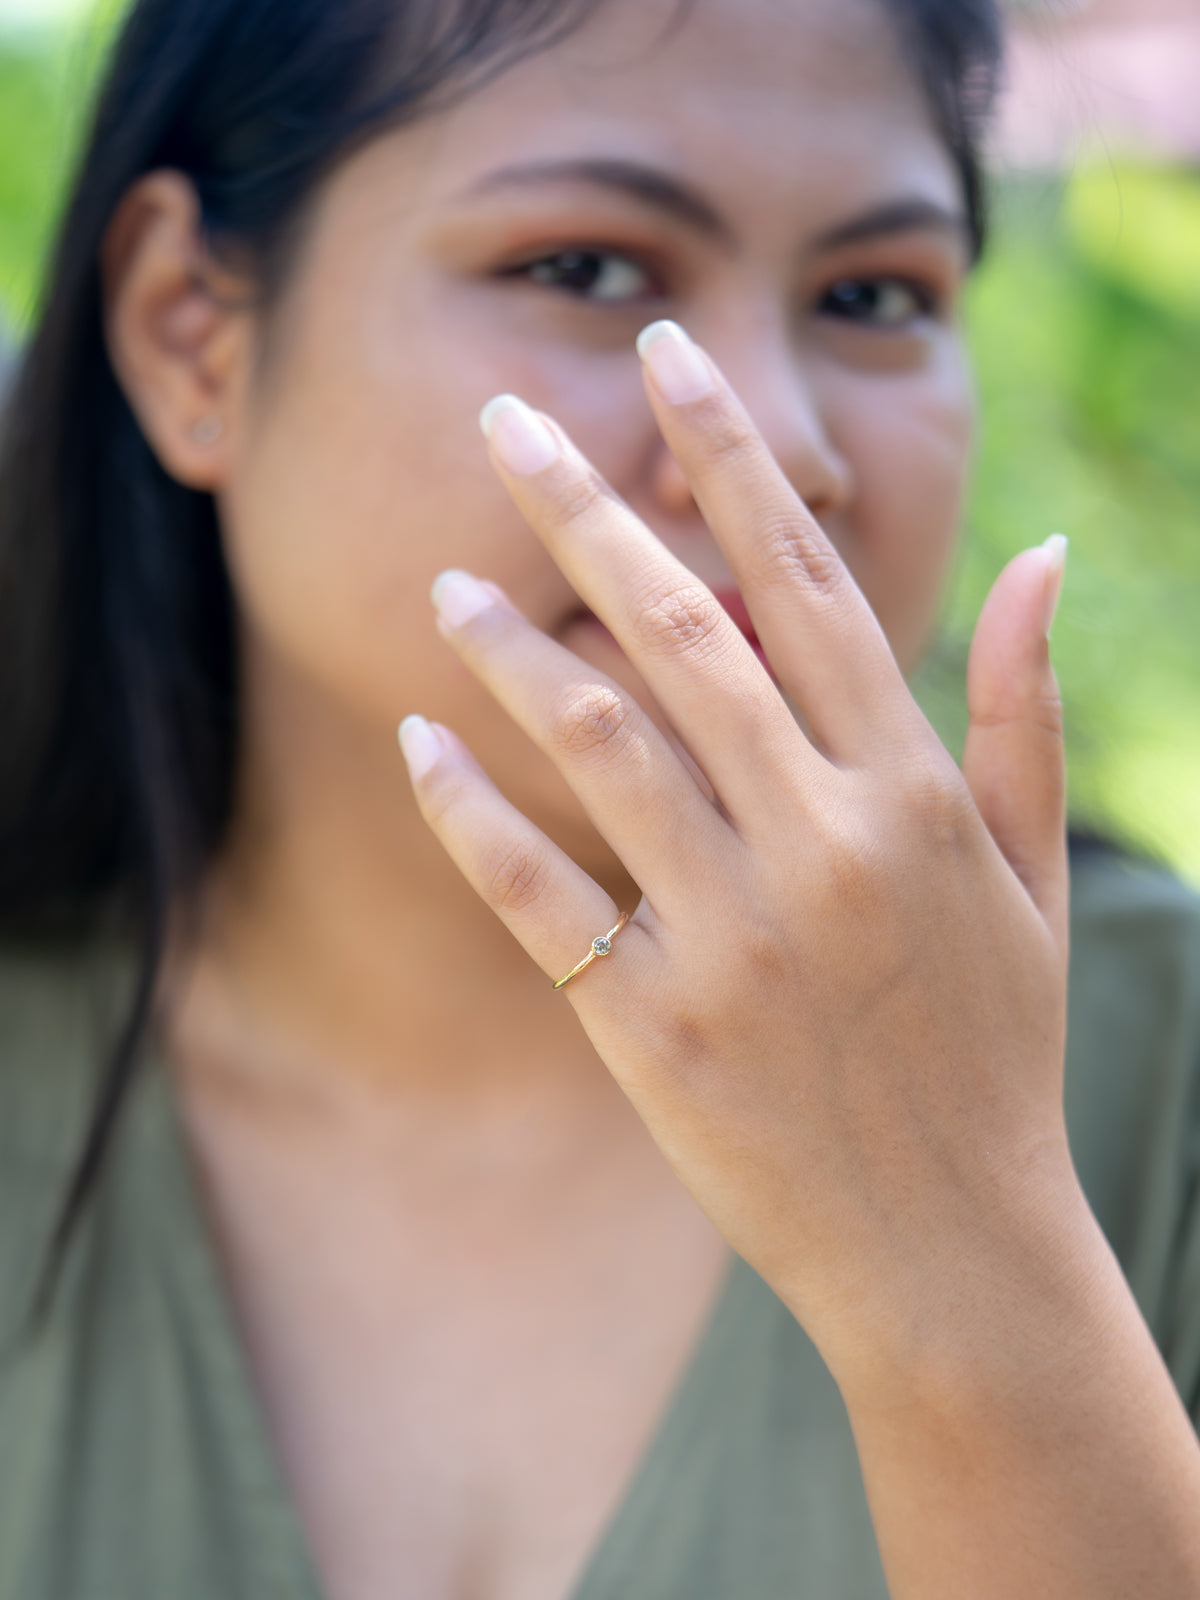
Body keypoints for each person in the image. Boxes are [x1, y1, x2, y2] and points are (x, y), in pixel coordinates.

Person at [2, 0, 1199, 1596]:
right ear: (187, 330)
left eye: (871, 294)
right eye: (583, 267)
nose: (775, 436)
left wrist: (974, 1267)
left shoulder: (1161, 1077)